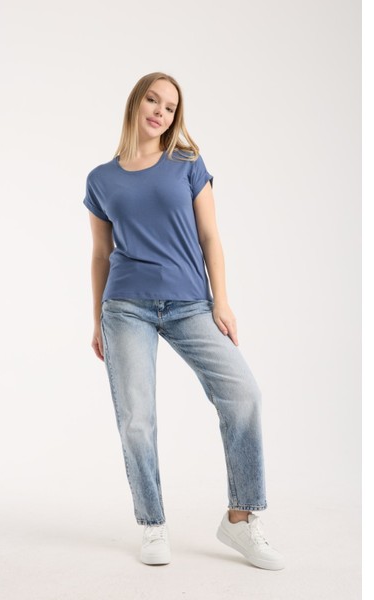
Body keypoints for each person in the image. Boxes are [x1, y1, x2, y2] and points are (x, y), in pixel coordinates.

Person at [82, 72, 285, 571]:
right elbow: (101, 255)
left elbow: (211, 237)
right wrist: (96, 319)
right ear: (136, 102)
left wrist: (222, 301)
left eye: (170, 107)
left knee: (243, 395)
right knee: (136, 418)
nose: (160, 111)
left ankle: (241, 519)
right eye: (153, 100)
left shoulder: (187, 164)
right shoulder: (100, 179)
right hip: (125, 305)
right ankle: (152, 523)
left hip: (191, 303)